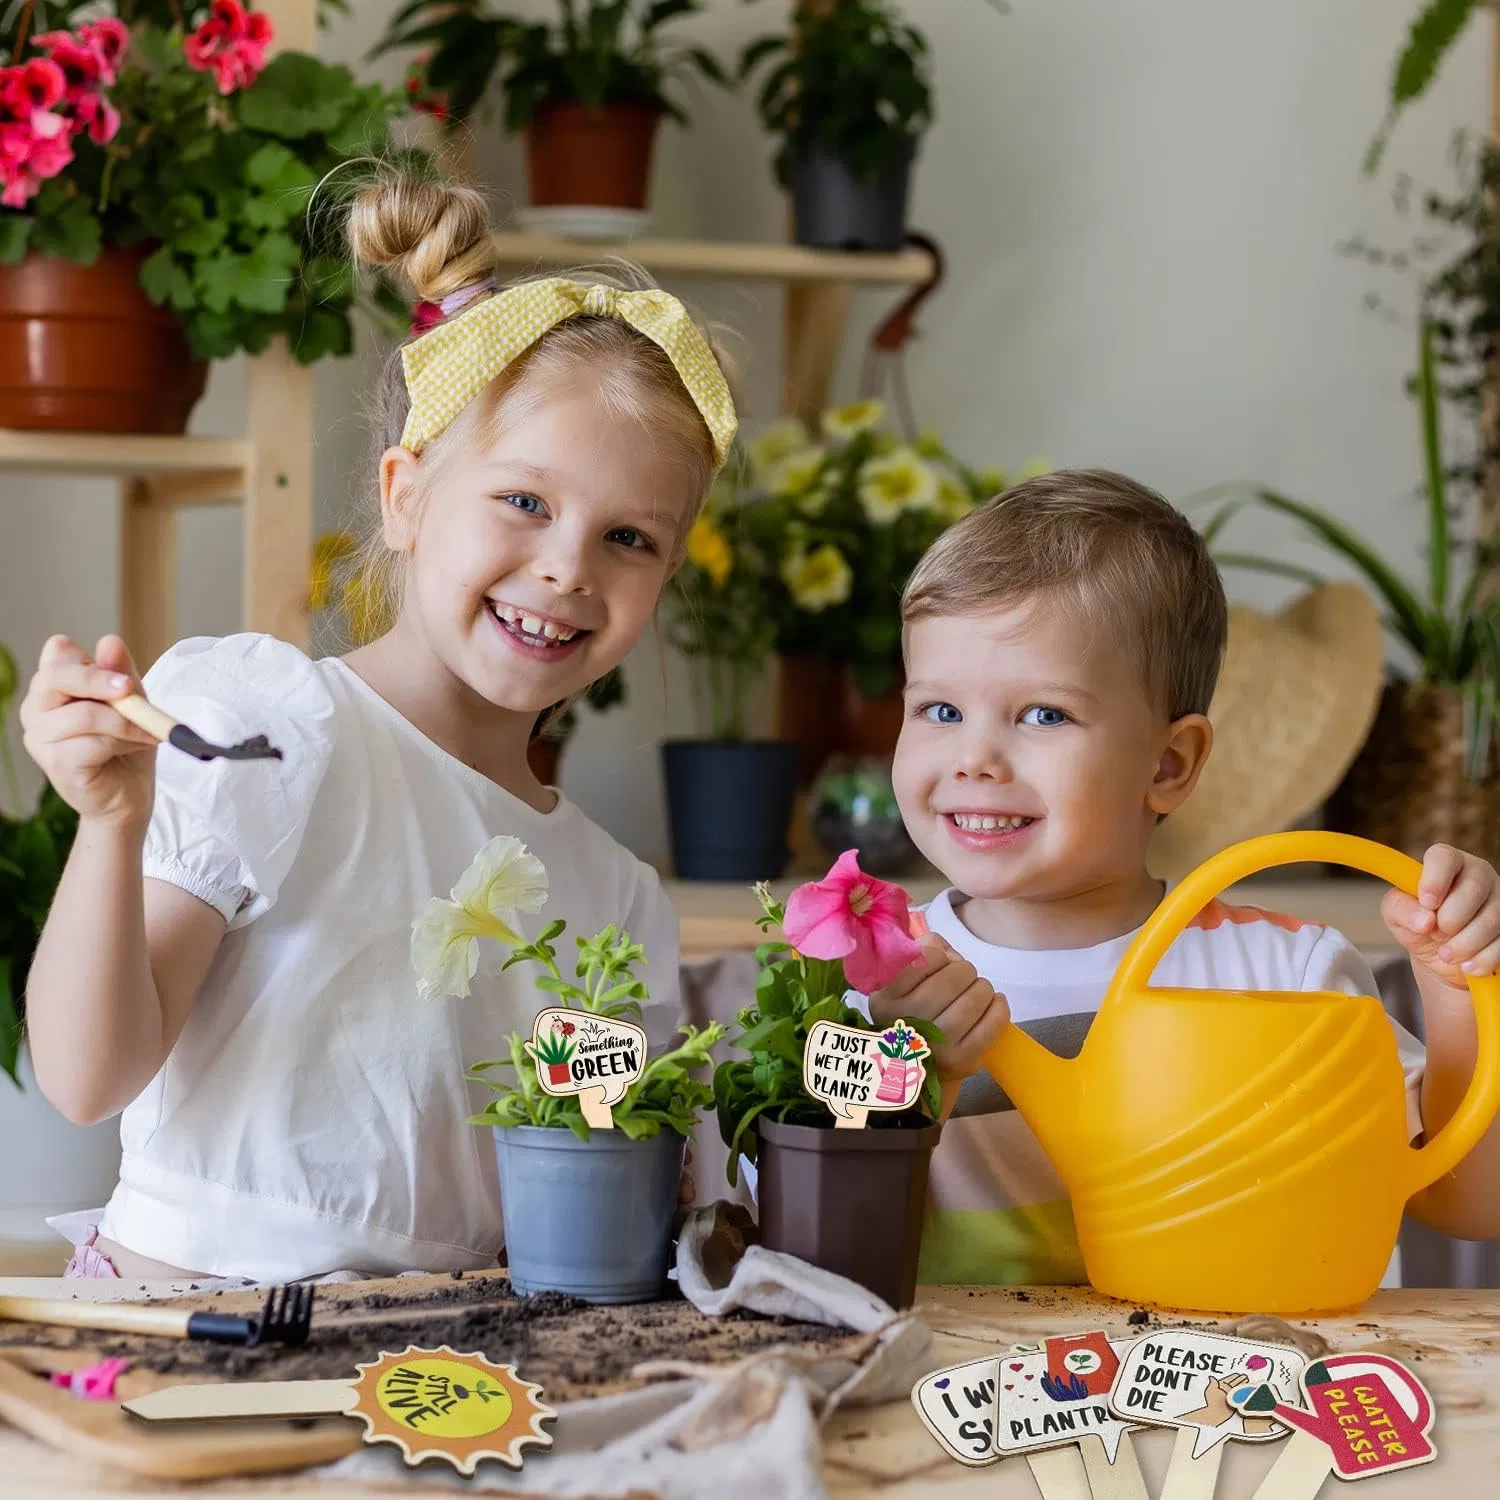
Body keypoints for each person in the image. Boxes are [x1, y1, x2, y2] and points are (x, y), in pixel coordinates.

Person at [18, 170, 736, 1282]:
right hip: (185, 1316)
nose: (566, 567)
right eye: (526, 502)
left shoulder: (611, 895)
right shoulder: (274, 728)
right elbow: (85, 1074)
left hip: (448, 1368)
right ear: (404, 497)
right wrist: (114, 825)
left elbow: (609, 1207)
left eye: (629, 539)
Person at [864, 468, 1500, 1283]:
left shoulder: (1289, 975)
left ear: (1169, 763)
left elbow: (1467, 1203)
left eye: (1044, 714)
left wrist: (1456, 989)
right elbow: (811, 1244)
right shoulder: (876, 979)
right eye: (940, 711)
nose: (975, 759)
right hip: (975, 1405)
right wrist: (908, 1079)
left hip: (1251, 1398)